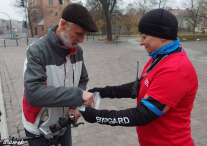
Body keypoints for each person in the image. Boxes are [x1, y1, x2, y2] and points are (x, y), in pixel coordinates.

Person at [80, 9, 198, 146]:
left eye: (144, 37)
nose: (141, 43)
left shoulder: (175, 69)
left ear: (162, 35)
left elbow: (143, 114)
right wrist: (103, 91)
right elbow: (140, 85)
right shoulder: (160, 56)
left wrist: (98, 116)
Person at [22, 3, 98, 146]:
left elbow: (83, 79)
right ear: (63, 24)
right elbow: (33, 93)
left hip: (63, 125)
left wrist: (74, 106)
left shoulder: (77, 51)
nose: (81, 40)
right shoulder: (37, 51)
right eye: (79, 33)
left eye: (84, 35)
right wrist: (77, 96)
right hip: (39, 128)